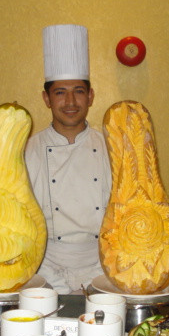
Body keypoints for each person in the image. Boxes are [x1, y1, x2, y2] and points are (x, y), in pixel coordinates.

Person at [24, 24, 111, 294]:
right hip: (44, 268)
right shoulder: (27, 151)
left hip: (103, 266)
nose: (70, 101)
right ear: (46, 98)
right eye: (60, 92)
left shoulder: (111, 149)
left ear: (91, 96)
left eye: (79, 91)